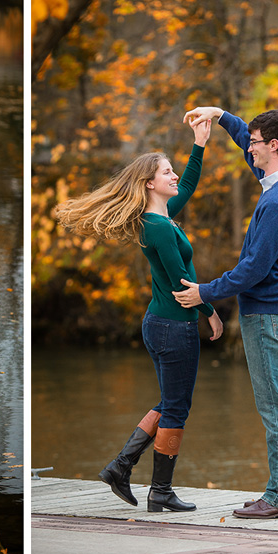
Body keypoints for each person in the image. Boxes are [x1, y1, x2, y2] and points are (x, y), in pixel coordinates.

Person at [56, 119, 223, 512]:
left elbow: (190, 184)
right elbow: (180, 280)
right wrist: (211, 312)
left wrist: (199, 143)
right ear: (149, 183)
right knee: (177, 407)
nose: (174, 175)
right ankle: (154, 486)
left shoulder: (160, 217)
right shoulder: (159, 228)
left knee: (170, 402)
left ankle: (123, 467)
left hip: (162, 325)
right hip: (173, 327)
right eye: (167, 171)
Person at [175, 106, 278, 519]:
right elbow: (248, 150)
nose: (248, 147)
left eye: (254, 141)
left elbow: (253, 270)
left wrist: (204, 293)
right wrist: (222, 116)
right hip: (277, 311)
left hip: (266, 315)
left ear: (273, 145)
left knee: (275, 406)